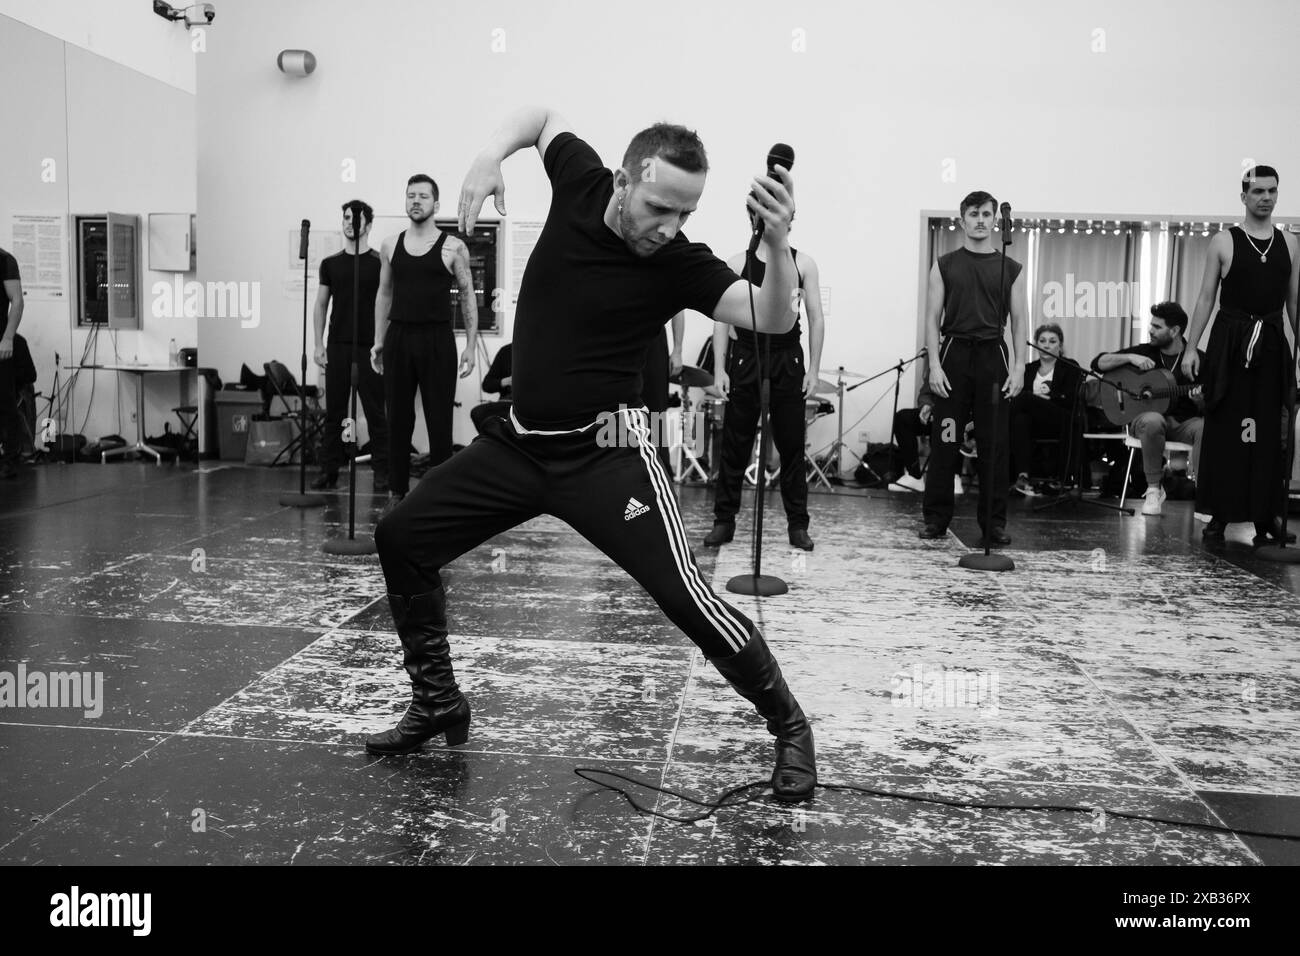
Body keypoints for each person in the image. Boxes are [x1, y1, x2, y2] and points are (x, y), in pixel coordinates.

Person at [367, 106, 815, 803]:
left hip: (606, 455)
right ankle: (437, 702)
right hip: (517, 445)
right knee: (400, 536)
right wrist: (491, 153)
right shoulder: (578, 177)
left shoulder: (674, 261)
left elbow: (773, 315)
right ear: (621, 181)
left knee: (687, 597)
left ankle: (790, 727)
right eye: (659, 206)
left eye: (685, 212)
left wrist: (780, 244)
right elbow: (540, 117)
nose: (670, 226)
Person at [1183, 166, 1300, 544]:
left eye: (1272, 191)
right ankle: (1220, 514)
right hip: (1229, 343)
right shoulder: (1224, 240)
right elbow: (1205, 298)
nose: (1266, 197)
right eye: (1258, 191)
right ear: (1244, 196)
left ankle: (1265, 518)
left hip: (1269, 343)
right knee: (1227, 430)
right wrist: (1189, 347)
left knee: (1266, 433)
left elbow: (1294, 302)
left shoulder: (1291, 244)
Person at [705, 226, 825, 551]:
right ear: (754, 217)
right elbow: (720, 319)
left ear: (788, 220)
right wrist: (719, 369)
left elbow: (815, 316)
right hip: (746, 356)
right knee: (735, 444)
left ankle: (797, 525)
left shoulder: (804, 264)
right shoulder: (736, 263)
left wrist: (813, 368)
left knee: (791, 448)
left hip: (788, 359)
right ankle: (724, 521)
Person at [920, 191, 1026, 545]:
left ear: (996, 219)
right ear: (961, 219)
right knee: (945, 439)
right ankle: (936, 519)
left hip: (993, 357)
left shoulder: (1010, 267)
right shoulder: (945, 263)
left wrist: (1019, 366)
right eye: (974, 214)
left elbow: (1020, 323)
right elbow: (932, 318)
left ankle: (993, 524)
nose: (981, 220)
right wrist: (934, 365)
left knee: (993, 446)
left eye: (986, 214)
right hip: (954, 356)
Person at [371, 174, 479, 506]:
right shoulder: (390, 245)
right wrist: (378, 340)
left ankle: (440, 496)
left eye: (423, 196)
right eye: (411, 196)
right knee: (399, 419)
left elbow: (467, 296)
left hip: (437, 340)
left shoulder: (453, 247)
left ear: (436, 204)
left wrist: (471, 346)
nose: (416, 201)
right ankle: (396, 492)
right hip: (399, 338)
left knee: (439, 419)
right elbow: (384, 293)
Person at [1093, 303, 1204, 515]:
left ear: (1175, 331)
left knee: (1205, 427)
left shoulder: (1197, 358)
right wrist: (1129, 358)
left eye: (1157, 327)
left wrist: (1200, 401)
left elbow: (1211, 403)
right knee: (1153, 419)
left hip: (1182, 423)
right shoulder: (1144, 351)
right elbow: (1098, 363)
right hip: (1145, 423)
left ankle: (1204, 494)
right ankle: (1153, 489)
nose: (1150, 330)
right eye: (1151, 325)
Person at [312, 201, 389, 492]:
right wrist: (318, 345)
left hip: (370, 347)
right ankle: (328, 471)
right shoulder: (330, 264)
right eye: (345, 218)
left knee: (375, 413)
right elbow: (321, 305)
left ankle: (383, 472)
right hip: (338, 346)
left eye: (355, 219)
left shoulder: (379, 262)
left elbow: (389, 301)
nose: (349, 223)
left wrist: (383, 344)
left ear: (368, 225)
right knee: (334, 413)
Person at [1010, 323, 1084, 496]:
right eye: (1042, 341)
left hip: (1061, 419)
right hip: (1034, 422)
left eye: (1052, 341)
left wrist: (1046, 398)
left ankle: (978, 435)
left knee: (1025, 398)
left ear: (1060, 345)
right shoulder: (1028, 369)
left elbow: (1071, 399)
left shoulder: (1070, 366)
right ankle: (1023, 477)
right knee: (1020, 418)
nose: (1046, 345)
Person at [640, 313, 685, 473]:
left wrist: (678, 350)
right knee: (619, 405)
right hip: (622, 339)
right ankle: (619, 467)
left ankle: (660, 467)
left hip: (654, 338)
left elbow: (679, 310)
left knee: (656, 410)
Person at [0, 246, 24, 480]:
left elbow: (17, 301)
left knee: (4, 402)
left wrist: (8, 337)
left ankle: (10, 458)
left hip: (0, 344)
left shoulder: (5, 260)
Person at [470, 341, 512, 434]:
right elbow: (487, 385)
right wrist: (506, 381)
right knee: (478, 413)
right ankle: (496, 445)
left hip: (530, 404)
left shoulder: (542, 351)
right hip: (508, 403)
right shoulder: (506, 351)